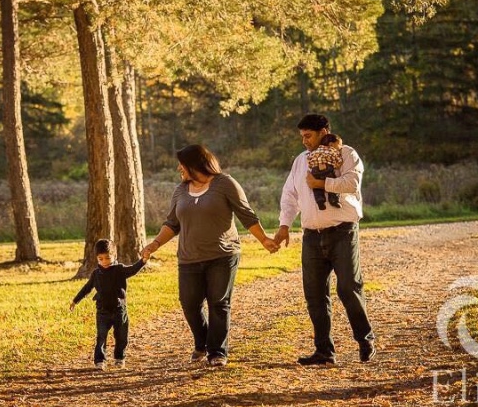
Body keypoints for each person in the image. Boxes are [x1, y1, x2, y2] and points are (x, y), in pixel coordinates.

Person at [141, 144, 278, 368]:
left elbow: (246, 215)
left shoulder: (225, 184)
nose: (179, 169)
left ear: (195, 164)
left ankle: (217, 352)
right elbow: (172, 224)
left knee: (219, 303)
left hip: (222, 255)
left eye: (182, 165)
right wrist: (154, 244)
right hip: (189, 257)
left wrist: (264, 239)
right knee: (189, 303)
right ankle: (202, 342)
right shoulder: (180, 191)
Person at [274, 114, 376, 366]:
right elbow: (290, 195)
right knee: (315, 294)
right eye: (302, 136)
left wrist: (322, 182)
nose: (304, 141)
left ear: (324, 132)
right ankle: (324, 352)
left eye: (308, 136)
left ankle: (365, 339)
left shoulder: (346, 153)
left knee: (348, 288)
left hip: (342, 232)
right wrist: (284, 225)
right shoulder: (301, 161)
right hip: (311, 236)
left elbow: (352, 183)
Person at [70, 239, 147, 370]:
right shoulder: (96, 274)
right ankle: (100, 360)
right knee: (101, 336)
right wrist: (75, 300)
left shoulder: (119, 269)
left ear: (114, 256)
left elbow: (133, 270)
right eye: (100, 259)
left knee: (121, 336)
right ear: (96, 258)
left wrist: (143, 261)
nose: (104, 262)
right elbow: (87, 288)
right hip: (103, 311)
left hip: (119, 310)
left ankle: (119, 358)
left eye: (107, 258)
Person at [307, 133, 343, 210]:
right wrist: (337, 165)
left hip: (315, 170)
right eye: (340, 145)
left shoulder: (315, 151)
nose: (341, 147)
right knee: (332, 183)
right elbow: (338, 160)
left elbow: (309, 160)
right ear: (331, 144)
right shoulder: (332, 150)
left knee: (316, 187)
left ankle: (320, 200)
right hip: (327, 169)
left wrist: (313, 166)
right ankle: (333, 200)